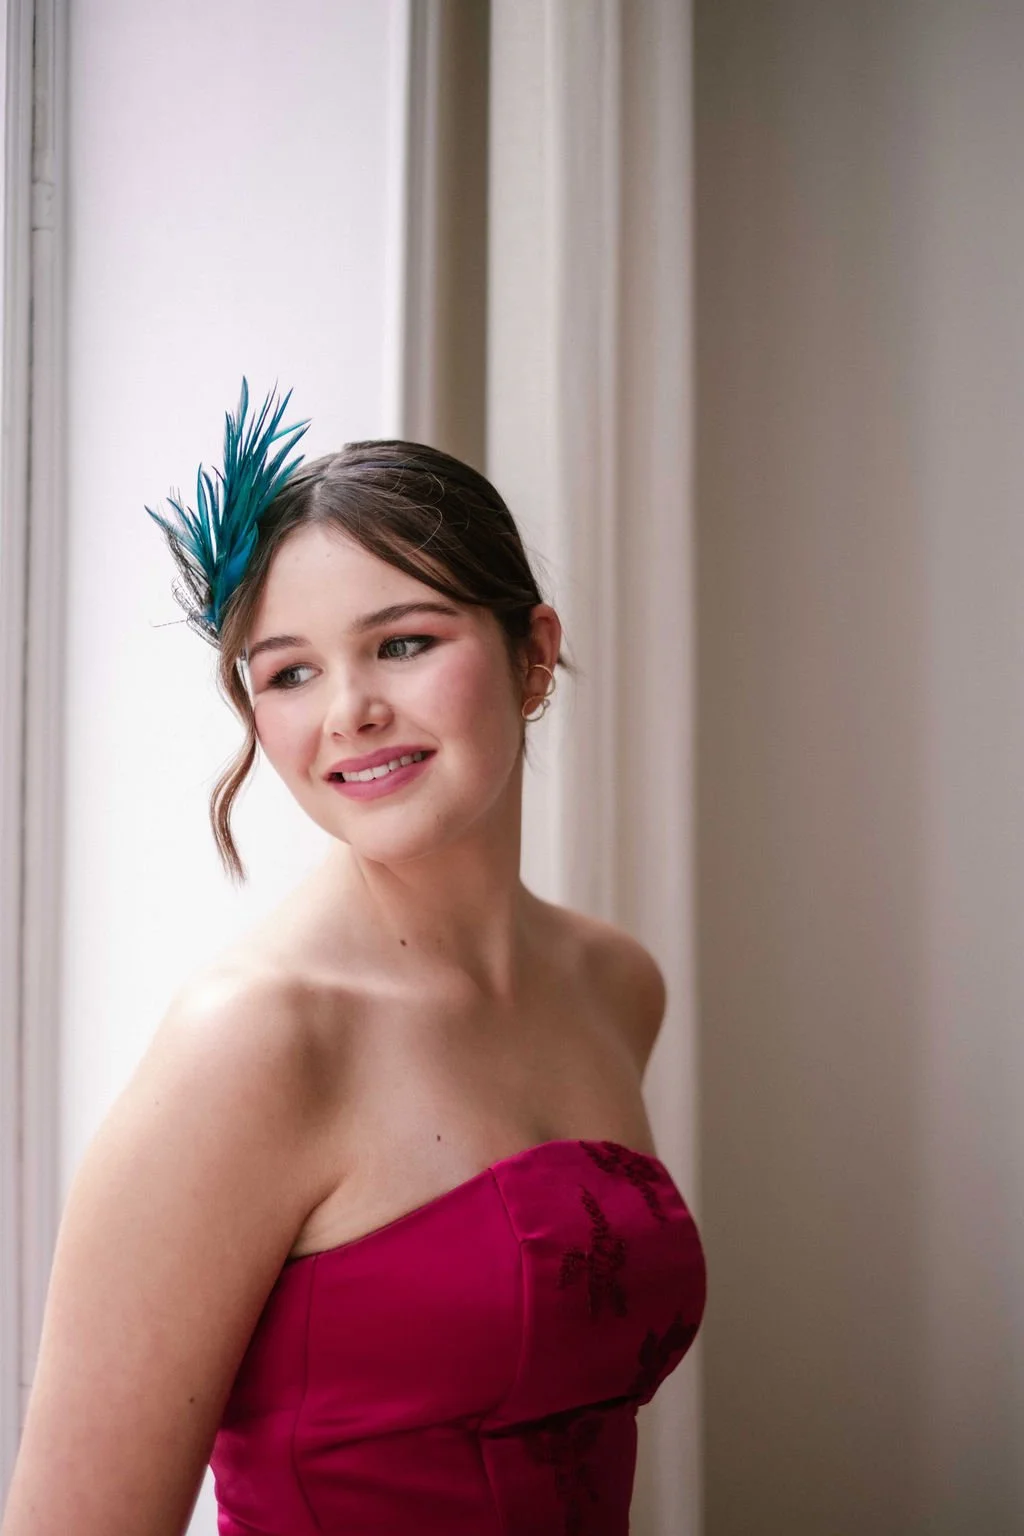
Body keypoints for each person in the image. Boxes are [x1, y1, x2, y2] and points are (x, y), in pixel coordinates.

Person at [1, 384, 706, 1536]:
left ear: (533, 654)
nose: (350, 712)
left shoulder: (614, 984)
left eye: (404, 643)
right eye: (289, 672)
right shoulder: (255, 1043)